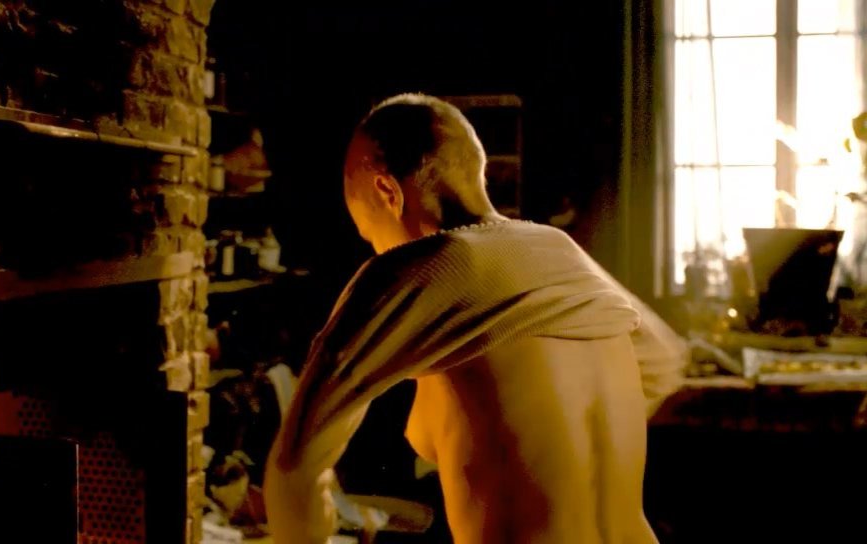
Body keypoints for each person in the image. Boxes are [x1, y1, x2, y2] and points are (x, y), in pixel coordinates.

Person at [263, 94, 686, 543]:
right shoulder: (557, 249)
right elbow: (663, 360)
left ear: (388, 193)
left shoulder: (416, 268)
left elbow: (294, 466)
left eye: (370, 232)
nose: (375, 247)